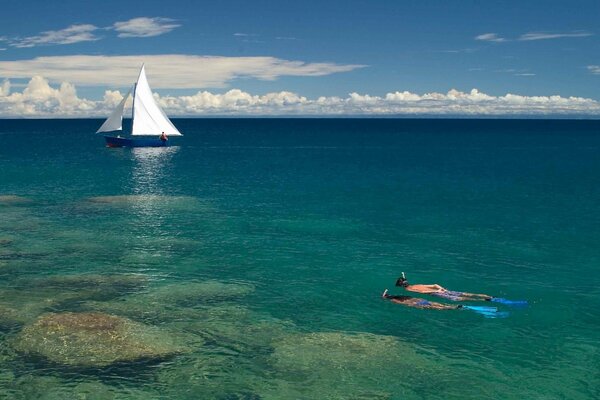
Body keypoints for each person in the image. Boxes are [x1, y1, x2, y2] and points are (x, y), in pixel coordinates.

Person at [395, 273, 492, 302]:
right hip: (441, 290)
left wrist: (439, 292)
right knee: (462, 293)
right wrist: (442, 289)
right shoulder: (417, 284)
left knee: (458, 298)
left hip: (437, 293)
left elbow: (423, 292)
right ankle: (486, 296)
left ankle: (483, 300)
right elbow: (435, 284)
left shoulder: (409, 289)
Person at [381, 289, 460, 310]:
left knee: (435, 307)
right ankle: (451, 305)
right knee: (435, 304)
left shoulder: (393, 300)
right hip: (420, 300)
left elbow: (405, 304)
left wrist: (413, 305)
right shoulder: (402, 296)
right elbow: (415, 298)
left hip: (418, 304)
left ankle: (451, 308)